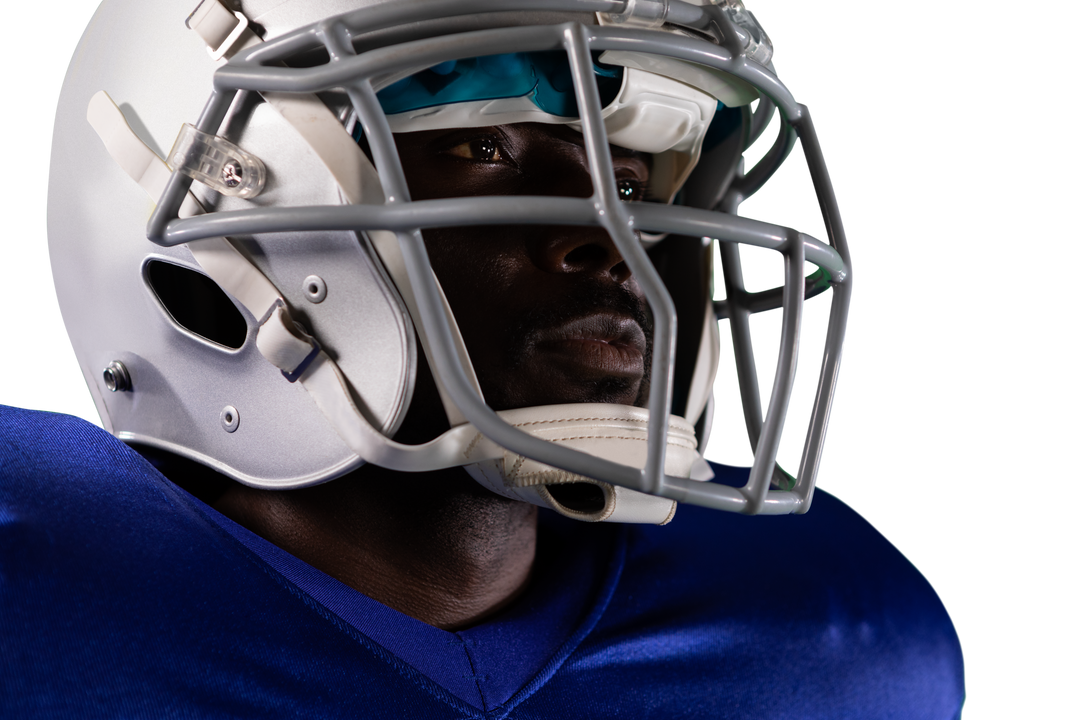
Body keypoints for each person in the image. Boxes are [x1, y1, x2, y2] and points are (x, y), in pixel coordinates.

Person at [5, 0, 966, 716]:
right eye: (485, 148)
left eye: (631, 179)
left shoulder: (838, 646)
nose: (615, 238)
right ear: (211, 207)